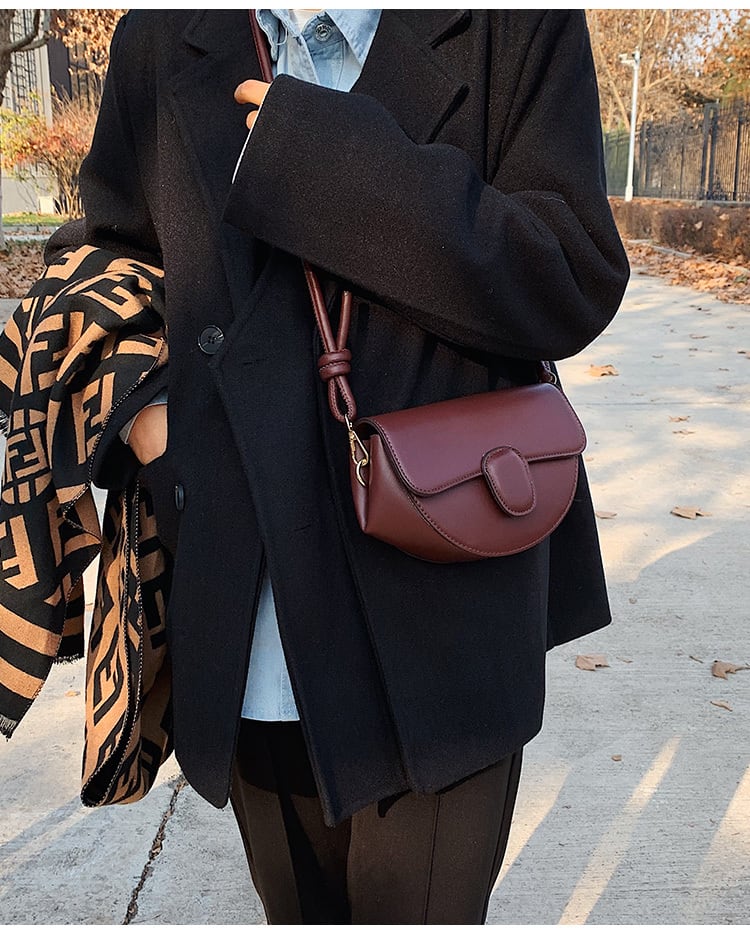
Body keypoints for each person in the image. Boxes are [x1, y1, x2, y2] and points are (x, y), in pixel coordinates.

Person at [0, 8, 629, 925]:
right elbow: (105, 253)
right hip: (246, 614)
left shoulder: (512, 25)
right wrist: (154, 423)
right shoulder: (163, 36)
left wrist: (326, 159)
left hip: (444, 612)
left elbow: (571, 269)